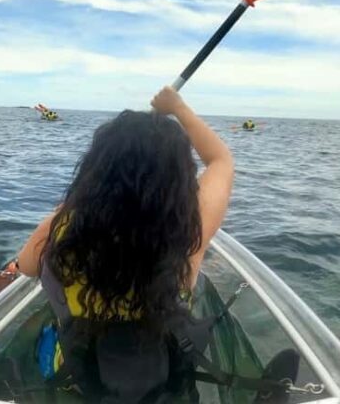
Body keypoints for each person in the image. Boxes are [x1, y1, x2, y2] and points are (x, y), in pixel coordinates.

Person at [14, 86, 235, 400]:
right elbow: (221, 160)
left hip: (85, 382)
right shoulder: (187, 235)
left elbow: (25, 265)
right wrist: (178, 108)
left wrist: (77, 202)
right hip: (162, 383)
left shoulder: (63, 228)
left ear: (95, 170)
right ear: (181, 179)